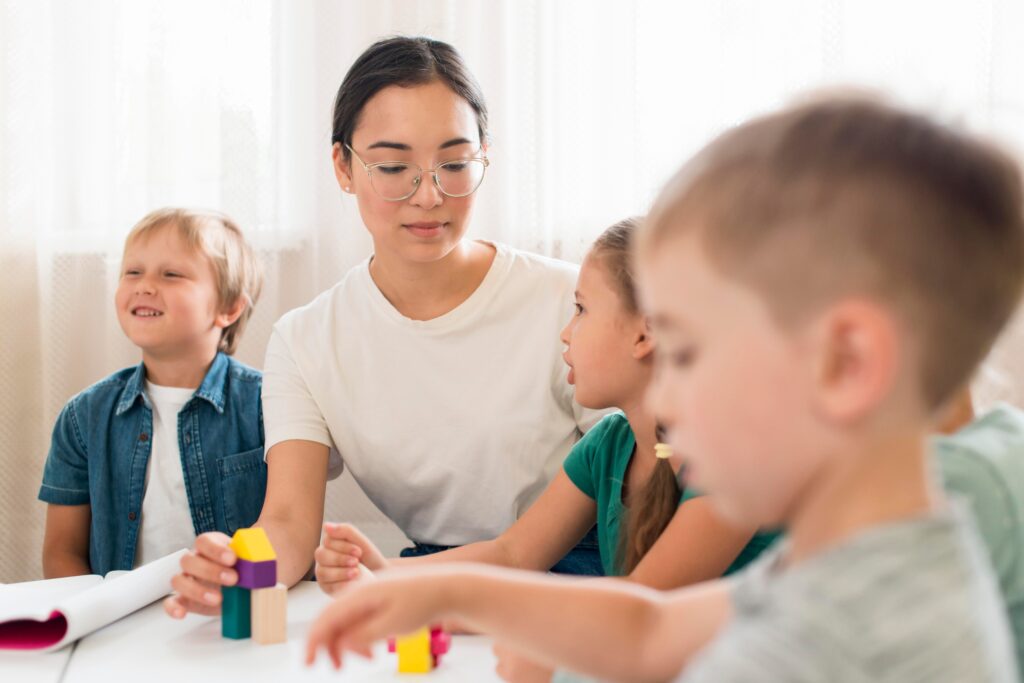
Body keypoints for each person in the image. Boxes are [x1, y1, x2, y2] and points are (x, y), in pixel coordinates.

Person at [305, 96, 1023, 682]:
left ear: (846, 363)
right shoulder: (858, 566)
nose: (667, 403)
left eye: (686, 352)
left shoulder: (853, 637)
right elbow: (648, 630)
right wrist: (441, 588)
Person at [165, 37, 606, 619]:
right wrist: (238, 572)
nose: (429, 195)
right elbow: (290, 525)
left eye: (454, 164)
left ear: (484, 158)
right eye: (394, 167)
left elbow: (632, 482)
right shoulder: (306, 342)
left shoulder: (570, 300)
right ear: (343, 167)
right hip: (429, 576)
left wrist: (395, 576)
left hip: (584, 577)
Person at [40, 208, 265, 577]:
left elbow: (287, 537)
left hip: (233, 615)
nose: (144, 285)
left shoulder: (265, 405)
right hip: (118, 621)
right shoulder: (83, 418)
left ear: (229, 307)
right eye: (132, 272)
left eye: (171, 274)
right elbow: (62, 552)